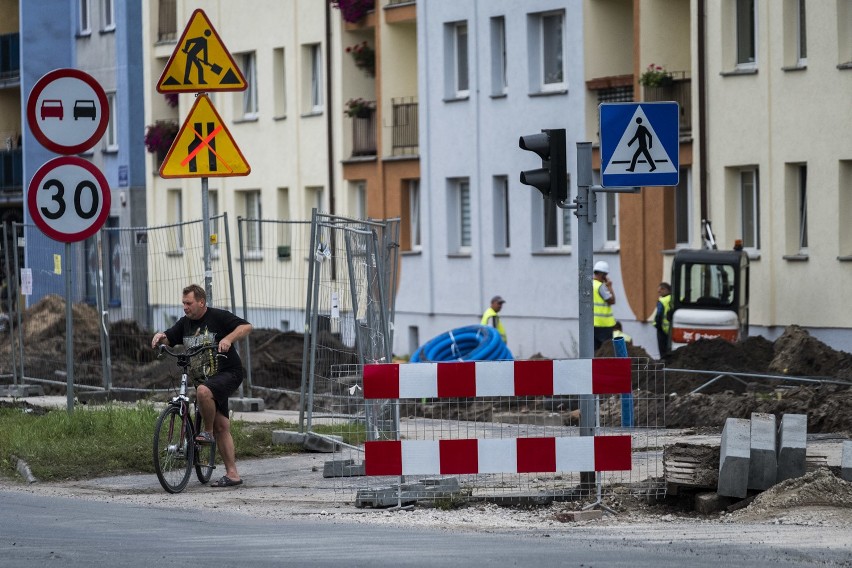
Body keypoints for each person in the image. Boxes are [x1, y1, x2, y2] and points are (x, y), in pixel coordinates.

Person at [151, 284, 252, 488]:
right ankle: (233, 474)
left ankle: (206, 433)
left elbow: (246, 327)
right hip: (206, 379)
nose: (185, 307)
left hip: (228, 373)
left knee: (203, 392)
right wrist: (160, 336)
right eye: (183, 303)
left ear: (201, 302)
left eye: (188, 303)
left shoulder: (218, 317)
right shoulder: (185, 323)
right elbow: (170, 337)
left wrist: (228, 338)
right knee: (222, 424)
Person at [592, 261, 616, 351]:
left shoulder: (589, 284)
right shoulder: (600, 286)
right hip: (604, 324)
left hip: (592, 323)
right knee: (606, 351)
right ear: (603, 274)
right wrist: (610, 286)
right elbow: (612, 300)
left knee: (595, 351)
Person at [654, 281, 673, 358]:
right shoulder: (677, 298)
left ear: (666, 290)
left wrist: (657, 325)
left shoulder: (662, 301)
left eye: (660, 291)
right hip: (674, 329)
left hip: (662, 329)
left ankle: (664, 366)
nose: (659, 293)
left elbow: (659, 315)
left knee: (663, 352)